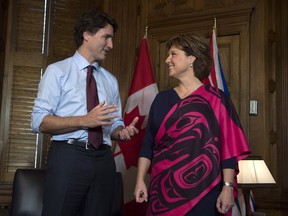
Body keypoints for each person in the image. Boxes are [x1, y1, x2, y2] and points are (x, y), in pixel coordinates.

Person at [31, 10, 139, 216]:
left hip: (104, 160)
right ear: (86, 35)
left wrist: (121, 132)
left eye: (112, 39)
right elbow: (38, 121)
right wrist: (85, 120)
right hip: (68, 157)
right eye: (106, 37)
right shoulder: (57, 71)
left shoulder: (110, 80)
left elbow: (114, 124)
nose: (111, 45)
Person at [134, 34, 251, 216]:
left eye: (173, 54)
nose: (167, 60)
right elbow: (148, 143)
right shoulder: (161, 99)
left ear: (191, 58)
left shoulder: (217, 99)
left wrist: (227, 187)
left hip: (205, 190)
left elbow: (228, 148)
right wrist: (140, 179)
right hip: (162, 192)